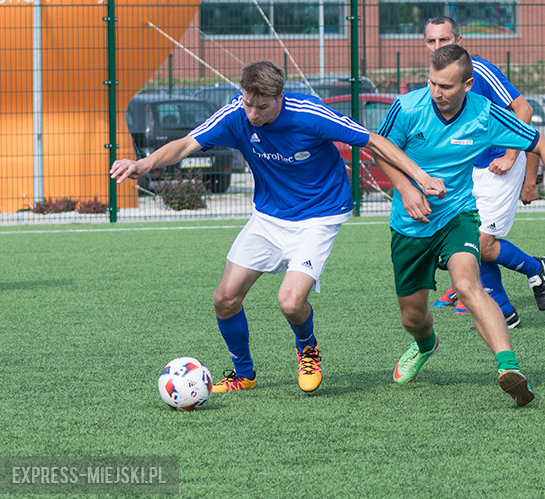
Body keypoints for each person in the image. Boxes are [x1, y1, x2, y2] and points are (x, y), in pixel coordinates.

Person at [110, 60, 445, 394]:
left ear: (280, 97)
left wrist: (420, 178)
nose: (252, 114)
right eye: (247, 103)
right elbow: (186, 144)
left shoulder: (309, 114)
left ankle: (307, 349)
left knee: (290, 302)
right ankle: (244, 374)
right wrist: (145, 163)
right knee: (225, 299)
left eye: (261, 106)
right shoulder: (236, 114)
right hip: (268, 218)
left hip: (319, 217)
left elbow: (373, 140)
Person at [374, 44, 545, 407]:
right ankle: (426, 344)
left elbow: (544, 146)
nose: (436, 92)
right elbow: (379, 148)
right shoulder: (407, 107)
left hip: (457, 215)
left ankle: (509, 368)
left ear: (467, 84)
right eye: (432, 83)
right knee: (413, 317)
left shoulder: (485, 115)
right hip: (410, 224)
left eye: (446, 86)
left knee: (468, 284)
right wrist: (407, 189)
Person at [423, 16, 545, 325]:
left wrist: (511, 157)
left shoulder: (479, 70)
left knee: (482, 243)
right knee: (468, 240)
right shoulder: (434, 81)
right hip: (469, 170)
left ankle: (536, 269)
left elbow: (524, 110)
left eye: (444, 39)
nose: (437, 46)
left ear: (459, 41)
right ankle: (505, 313)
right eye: (431, 41)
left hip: (499, 165)